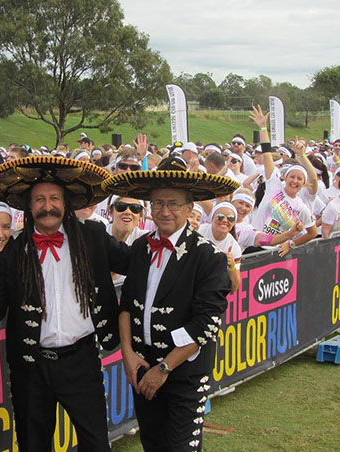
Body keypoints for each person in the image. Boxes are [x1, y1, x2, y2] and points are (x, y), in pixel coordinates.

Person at [0, 156, 130, 452]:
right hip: (30, 365)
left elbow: (136, 264)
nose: (47, 205)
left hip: (82, 361)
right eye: (39, 199)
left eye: (54, 198)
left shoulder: (91, 237)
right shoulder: (12, 252)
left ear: (65, 204)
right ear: (28, 206)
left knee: (96, 444)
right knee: (34, 445)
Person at [102, 163, 237, 451]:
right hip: (141, 365)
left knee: (181, 447)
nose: (165, 211)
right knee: (152, 442)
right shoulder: (141, 248)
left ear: (190, 209)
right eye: (158, 203)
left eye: (173, 203)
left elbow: (206, 324)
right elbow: (126, 306)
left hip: (183, 372)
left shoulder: (208, 256)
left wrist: (163, 369)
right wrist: (128, 355)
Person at [249, 106, 318, 256]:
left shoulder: (301, 207)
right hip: (254, 246)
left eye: (299, 179)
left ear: (303, 183)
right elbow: (267, 153)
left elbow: (312, 233)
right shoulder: (274, 185)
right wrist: (262, 127)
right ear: (285, 177)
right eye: (292, 176)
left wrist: (291, 244)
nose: (295, 181)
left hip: (275, 253)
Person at [198, 202, 242, 293]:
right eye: (220, 216)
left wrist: (232, 266)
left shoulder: (234, 247)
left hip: (210, 290)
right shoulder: (199, 231)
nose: (225, 220)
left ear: (233, 223)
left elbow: (234, 288)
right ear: (211, 219)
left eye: (230, 218)